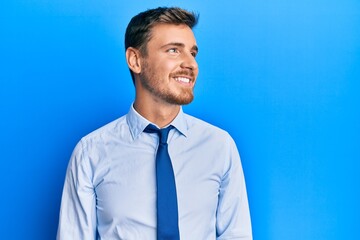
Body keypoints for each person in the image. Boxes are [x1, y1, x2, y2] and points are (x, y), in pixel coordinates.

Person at [57, 7, 252, 240]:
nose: (190, 64)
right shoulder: (91, 152)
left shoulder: (220, 147)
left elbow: (237, 235)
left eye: (193, 53)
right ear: (135, 60)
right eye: (173, 50)